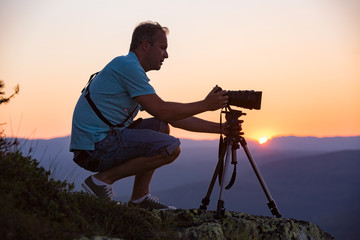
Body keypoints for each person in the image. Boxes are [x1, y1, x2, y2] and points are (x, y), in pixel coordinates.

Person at [70, 21, 231, 210]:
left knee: (161, 127)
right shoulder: (127, 67)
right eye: (162, 48)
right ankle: (100, 182)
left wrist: (220, 129)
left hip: (99, 142)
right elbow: (163, 109)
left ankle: (140, 197)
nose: (166, 55)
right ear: (145, 45)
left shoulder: (129, 69)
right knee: (170, 147)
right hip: (94, 148)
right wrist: (205, 105)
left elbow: (171, 117)